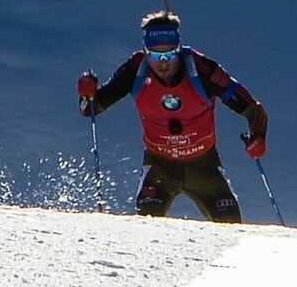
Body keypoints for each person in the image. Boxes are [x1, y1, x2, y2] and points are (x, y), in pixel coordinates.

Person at [78, 11, 269, 223]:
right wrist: (87, 93)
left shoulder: (203, 71)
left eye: (170, 55)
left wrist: (258, 137)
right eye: (155, 55)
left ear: (179, 49)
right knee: (146, 228)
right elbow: (92, 109)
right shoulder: (136, 70)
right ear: (145, 51)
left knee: (231, 225)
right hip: (160, 166)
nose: (163, 63)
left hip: (204, 165)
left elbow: (252, 108)